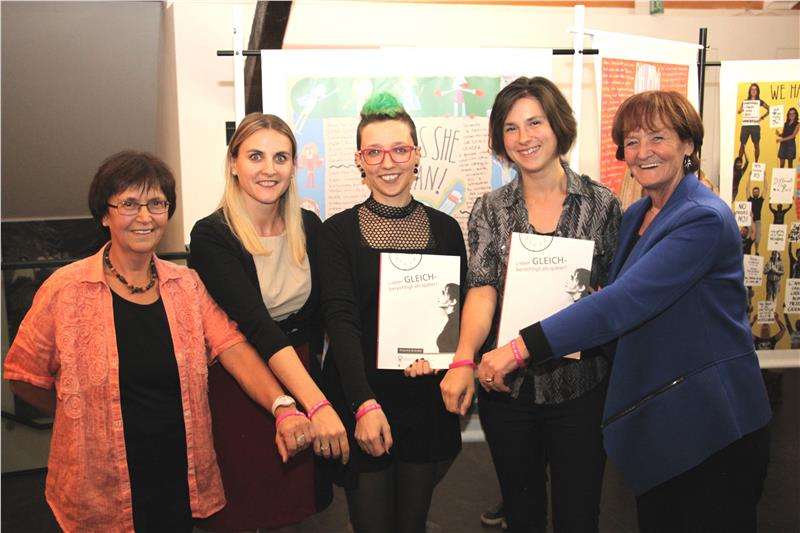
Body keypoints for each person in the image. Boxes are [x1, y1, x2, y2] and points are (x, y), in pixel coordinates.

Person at [480, 90, 772, 533]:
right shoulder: (637, 214)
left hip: (711, 420)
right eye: (632, 141)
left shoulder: (703, 218)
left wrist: (520, 348)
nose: (643, 151)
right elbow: (616, 295)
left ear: (688, 144)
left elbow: (623, 302)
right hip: (659, 418)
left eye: (658, 138)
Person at [3, 151, 320, 533]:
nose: (145, 217)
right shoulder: (66, 290)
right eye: (129, 204)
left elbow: (232, 347)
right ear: (104, 215)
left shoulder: (187, 286)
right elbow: (22, 375)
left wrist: (282, 405)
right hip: (98, 487)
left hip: (177, 480)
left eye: (156, 203)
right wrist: (79, 416)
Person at [440, 76, 622, 533]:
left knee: (579, 515)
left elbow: (618, 292)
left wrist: (603, 297)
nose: (525, 137)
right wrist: (463, 358)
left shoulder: (602, 205)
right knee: (522, 515)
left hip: (581, 387)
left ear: (557, 124)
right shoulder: (490, 209)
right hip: (509, 391)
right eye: (511, 127)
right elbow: (482, 289)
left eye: (535, 122)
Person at [188, 114, 348, 531]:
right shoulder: (211, 236)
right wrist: (317, 404)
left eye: (280, 157)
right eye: (255, 156)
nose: (269, 169)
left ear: (293, 166)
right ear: (233, 164)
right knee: (246, 507)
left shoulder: (309, 226)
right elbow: (257, 326)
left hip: (301, 370)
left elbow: (330, 312)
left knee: (299, 510)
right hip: (243, 383)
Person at [317, 92, 466, 533]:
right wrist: (363, 404)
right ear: (359, 161)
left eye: (400, 149)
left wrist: (441, 359)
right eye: (374, 152)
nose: (388, 163)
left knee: (412, 523)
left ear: (416, 155)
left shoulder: (446, 230)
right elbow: (341, 323)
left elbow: (455, 312)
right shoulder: (336, 234)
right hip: (363, 396)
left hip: (425, 401)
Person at [737, 83, 770, 162]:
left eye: (755, 89)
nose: (753, 91)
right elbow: (739, 112)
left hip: (755, 125)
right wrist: (741, 110)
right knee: (742, 145)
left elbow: (769, 109)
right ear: (749, 90)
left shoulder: (759, 101)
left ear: (758, 91)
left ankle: (756, 163)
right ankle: (739, 163)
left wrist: (762, 117)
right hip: (746, 125)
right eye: (752, 89)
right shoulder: (745, 101)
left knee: (756, 145)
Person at [436, 283, 460, 353]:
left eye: (444, 293)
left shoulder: (456, 323)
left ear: (453, 301)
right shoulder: (452, 321)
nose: (439, 296)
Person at [747, 184, 764, 255]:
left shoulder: (761, 200)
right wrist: (749, 178)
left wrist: (765, 177)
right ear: (752, 192)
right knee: (749, 237)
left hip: (757, 221)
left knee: (757, 239)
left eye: (757, 192)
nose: (755, 193)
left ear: (759, 192)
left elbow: (766, 188)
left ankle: (756, 251)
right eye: (754, 192)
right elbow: (747, 189)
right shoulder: (750, 199)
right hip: (750, 221)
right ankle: (748, 251)